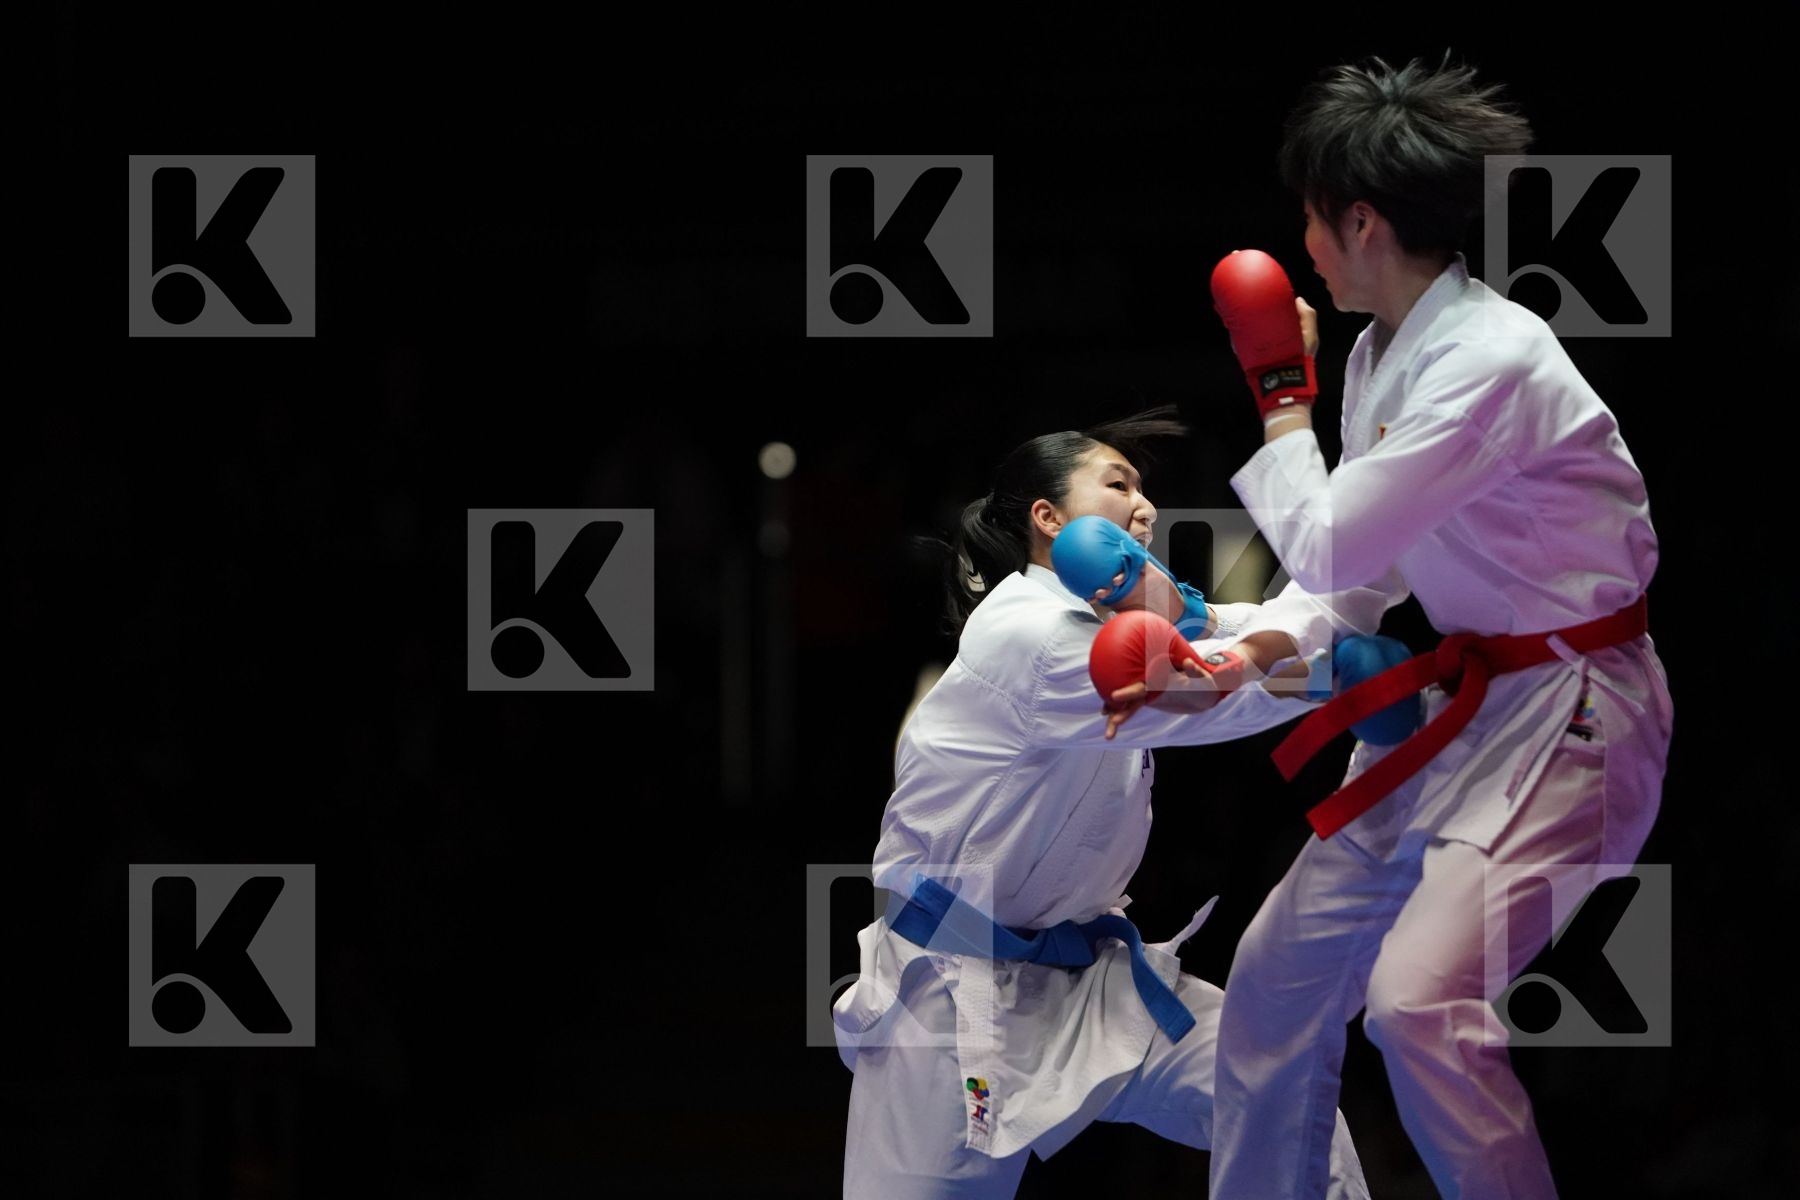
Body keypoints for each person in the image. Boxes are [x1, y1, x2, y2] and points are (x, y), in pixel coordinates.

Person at [1195, 55, 1674, 1198]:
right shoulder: (1380, 355)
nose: (1302, 244)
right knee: (1273, 983)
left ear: (1358, 219)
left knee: (1417, 1001)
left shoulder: (1488, 362)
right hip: (1463, 714)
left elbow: (1332, 542)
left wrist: (1276, 391)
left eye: (1312, 218)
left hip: (1577, 718)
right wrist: (1248, 646)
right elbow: (1358, 575)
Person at [832, 407, 1375, 1198]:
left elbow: (1250, 645)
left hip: (1093, 981)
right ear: (1049, 519)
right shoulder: (1029, 635)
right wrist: (1346, 606)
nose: (1145, 506)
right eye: (1118, 483)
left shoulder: (1131, 627)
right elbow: (1224, 689)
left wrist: (1373, 565)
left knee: (1278, 1089)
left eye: (1146, 489)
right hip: (954, 1001)